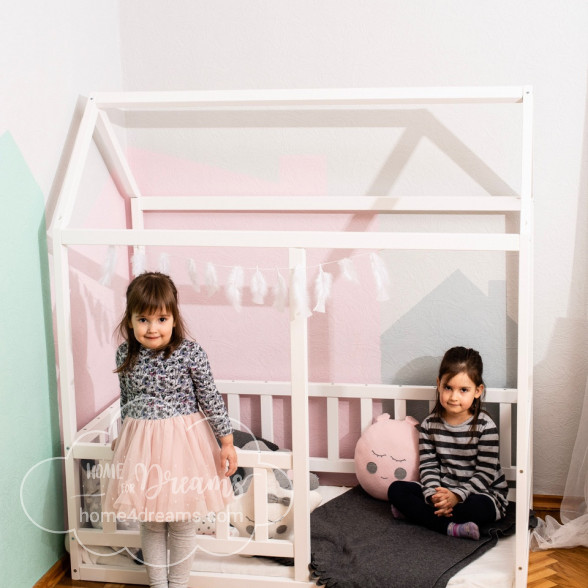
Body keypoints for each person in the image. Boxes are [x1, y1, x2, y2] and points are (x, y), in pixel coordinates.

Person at [103, 272, 238, 588]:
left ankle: (177, 584)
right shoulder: (126, 354)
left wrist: (227, 442)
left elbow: (209, 398)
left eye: (161, 319)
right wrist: (124, 436)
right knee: (150, 523)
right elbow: (127, 400)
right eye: (143, 319)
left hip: (182, 445)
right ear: (131, 320)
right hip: (142, 447)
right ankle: (158, 584)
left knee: (180, 521)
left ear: (174, 319)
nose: (152, 328)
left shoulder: (190, 352)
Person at [388, 346, 508, 540]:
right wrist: (434, 495)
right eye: (448, 388)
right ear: (439, 384)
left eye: (463, 390)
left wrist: (456, 496)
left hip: (480, 492)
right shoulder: (429, 424)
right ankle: (450, 527)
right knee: (395, 490)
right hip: (441, 489)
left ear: (478, 391)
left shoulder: (486, 427)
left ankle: (420, 516)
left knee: (478, 509)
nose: (454, 397)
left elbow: (485, 474)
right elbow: (428, 466)